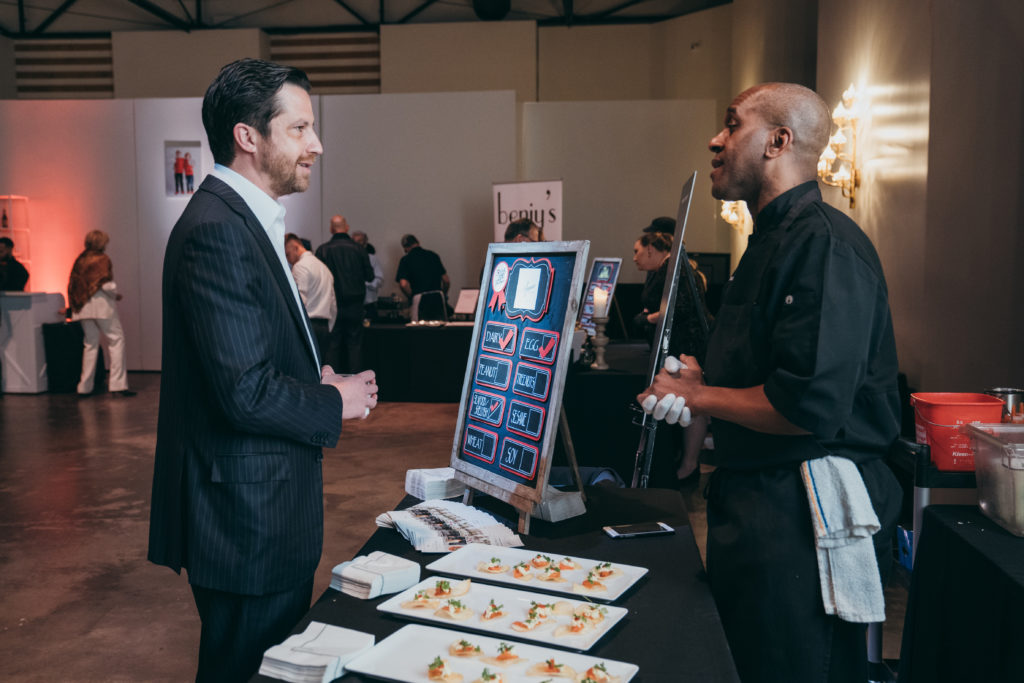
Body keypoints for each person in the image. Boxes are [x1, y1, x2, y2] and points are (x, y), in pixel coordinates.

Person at [638, 82, 902, 683]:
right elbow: (760, 370)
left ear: (778, 141)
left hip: (802, 516)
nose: (715, 139)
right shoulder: (766, 242)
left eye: (732, 124)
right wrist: (703, 378)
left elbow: (808, 405)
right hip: (753, 505)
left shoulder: (825, 244)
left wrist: (696, 396)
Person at [147, 58, 378, 683]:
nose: (316, 145)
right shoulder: (218, 230)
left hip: (257, 514)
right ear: (248, 136)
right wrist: (336, 402)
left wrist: (314, 381)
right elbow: (243, 392)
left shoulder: (242, 218)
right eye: (300, 128)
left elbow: (244, 360)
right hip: (244, 523)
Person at [631, 230, 711, 486]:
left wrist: (647, 318)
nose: (634, 257)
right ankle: (683, 459)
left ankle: (690, 464)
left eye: (637, 251)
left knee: (693, 402)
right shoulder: (663, 270)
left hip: (689, 347)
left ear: (651, 249)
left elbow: (679, 309)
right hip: (679, 346)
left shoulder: (677, 268)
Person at [67, 230, 134, 397]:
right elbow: (105, 283)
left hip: (82, 308)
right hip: (102, 306)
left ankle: (84, 387)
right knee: (116, 340)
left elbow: (73, 284)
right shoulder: (102, 259)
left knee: (90, 345)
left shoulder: (80, 260)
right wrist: (115, 294)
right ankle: (117, 385)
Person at [315, 215, 373, 373]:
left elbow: (319, 277)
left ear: (331, 229)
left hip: (333, 305)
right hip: (355, 305)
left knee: (333, 346)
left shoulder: (323, 250)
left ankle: (332, 383)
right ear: (346, 227)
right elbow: (370, 276)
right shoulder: (359, 249)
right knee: (355, 346)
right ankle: (356, 382)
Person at [285, 232, 336, 357]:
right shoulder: (323, 267)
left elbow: (300, 300)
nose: (288, 259)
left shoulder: (300, 267)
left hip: (308, 326)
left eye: (287, 254)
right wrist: (329, 327)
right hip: (324, 327)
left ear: (296, 247)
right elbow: (333, 303)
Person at [350, 230, 383, 321]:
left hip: (369, 304)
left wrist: (365, 284)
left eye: (359, 242)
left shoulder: (373, 259)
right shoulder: (347, 259)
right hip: (352, 304)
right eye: (354, 242)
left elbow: (379, 280)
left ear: (365, 244)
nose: (357, 245)